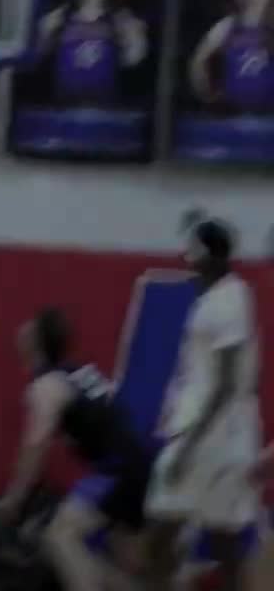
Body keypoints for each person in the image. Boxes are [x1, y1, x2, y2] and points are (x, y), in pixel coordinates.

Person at [0, 308, 156, 591]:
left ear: (35, 343)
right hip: (140, 464)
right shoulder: (79, 372)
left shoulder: (47, 386)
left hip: (119, 470)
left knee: (60, 535)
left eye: (26, 330)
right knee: (124, 558)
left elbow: (36, 445)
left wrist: (13, 499)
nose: (19, 334)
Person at [143, 217, 262, 591]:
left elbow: (226, 385)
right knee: (223, 543)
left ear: (211, 255)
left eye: (193, 251)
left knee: (161, 536)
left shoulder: (228, 301)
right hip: (217, 436)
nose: (187, 257)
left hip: (210, 441)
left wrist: (188, 446)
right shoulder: (224, 296)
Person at [37, 0, 148, 105]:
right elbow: (40, 55)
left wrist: (136, 40)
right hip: (64, 104)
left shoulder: (119, 20)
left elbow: (133, 60)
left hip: (104, 105)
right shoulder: (59, 18)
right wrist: (43, 33)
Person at [189, 0, 274, 114]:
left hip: (267, 112)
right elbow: (200, 61)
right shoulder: (227, 25)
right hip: (231, 110)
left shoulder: (270, 27)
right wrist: (207, 95)